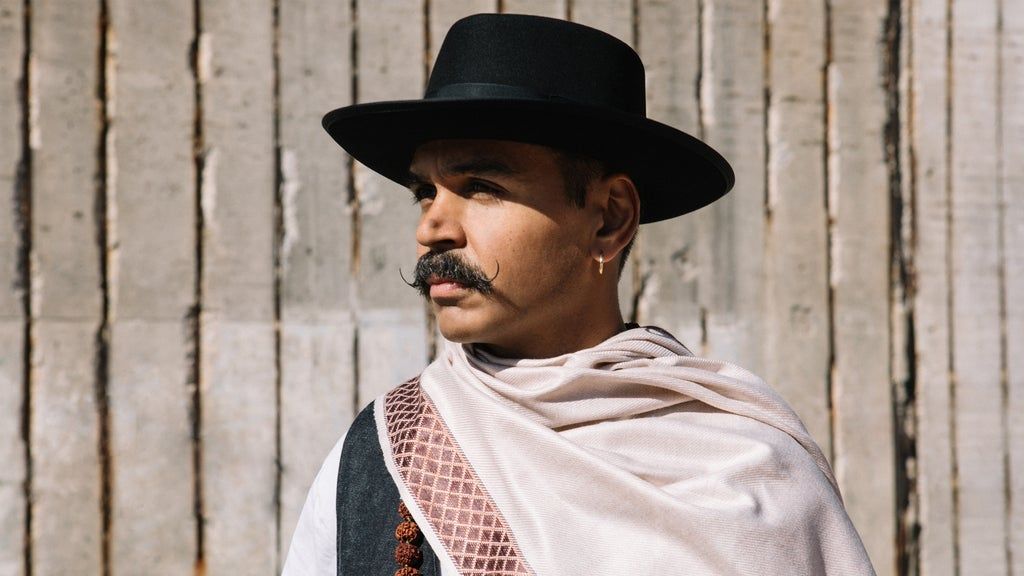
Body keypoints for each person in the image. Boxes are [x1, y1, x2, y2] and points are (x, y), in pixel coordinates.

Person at [282, 13, 875, 576]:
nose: (433, 227)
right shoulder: (383, 455)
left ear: (610, 218)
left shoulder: (750, 469)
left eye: (481, 187)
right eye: (426, 193)